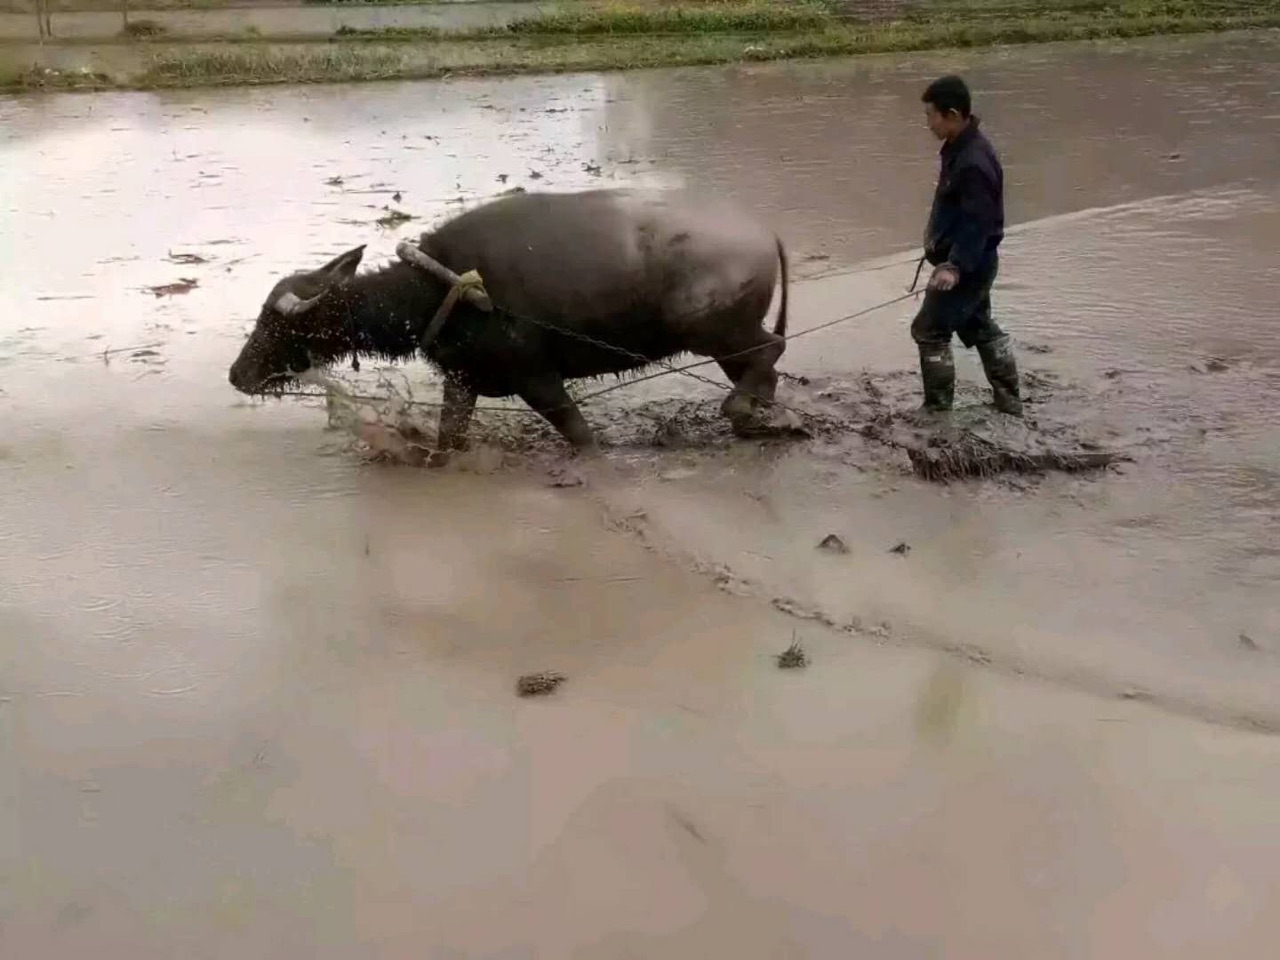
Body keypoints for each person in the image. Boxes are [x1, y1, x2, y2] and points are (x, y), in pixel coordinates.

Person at [911, 75, 1022, 416]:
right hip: (972, 263)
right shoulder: (960, 148)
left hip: (968, 266)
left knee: (929, 330)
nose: (928, 123)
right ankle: (1009, 400)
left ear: (954, 114)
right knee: (978, 325)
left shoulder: (974, 161)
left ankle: (937, 411)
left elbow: (978, 222)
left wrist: (953, 266)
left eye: (932, 115)